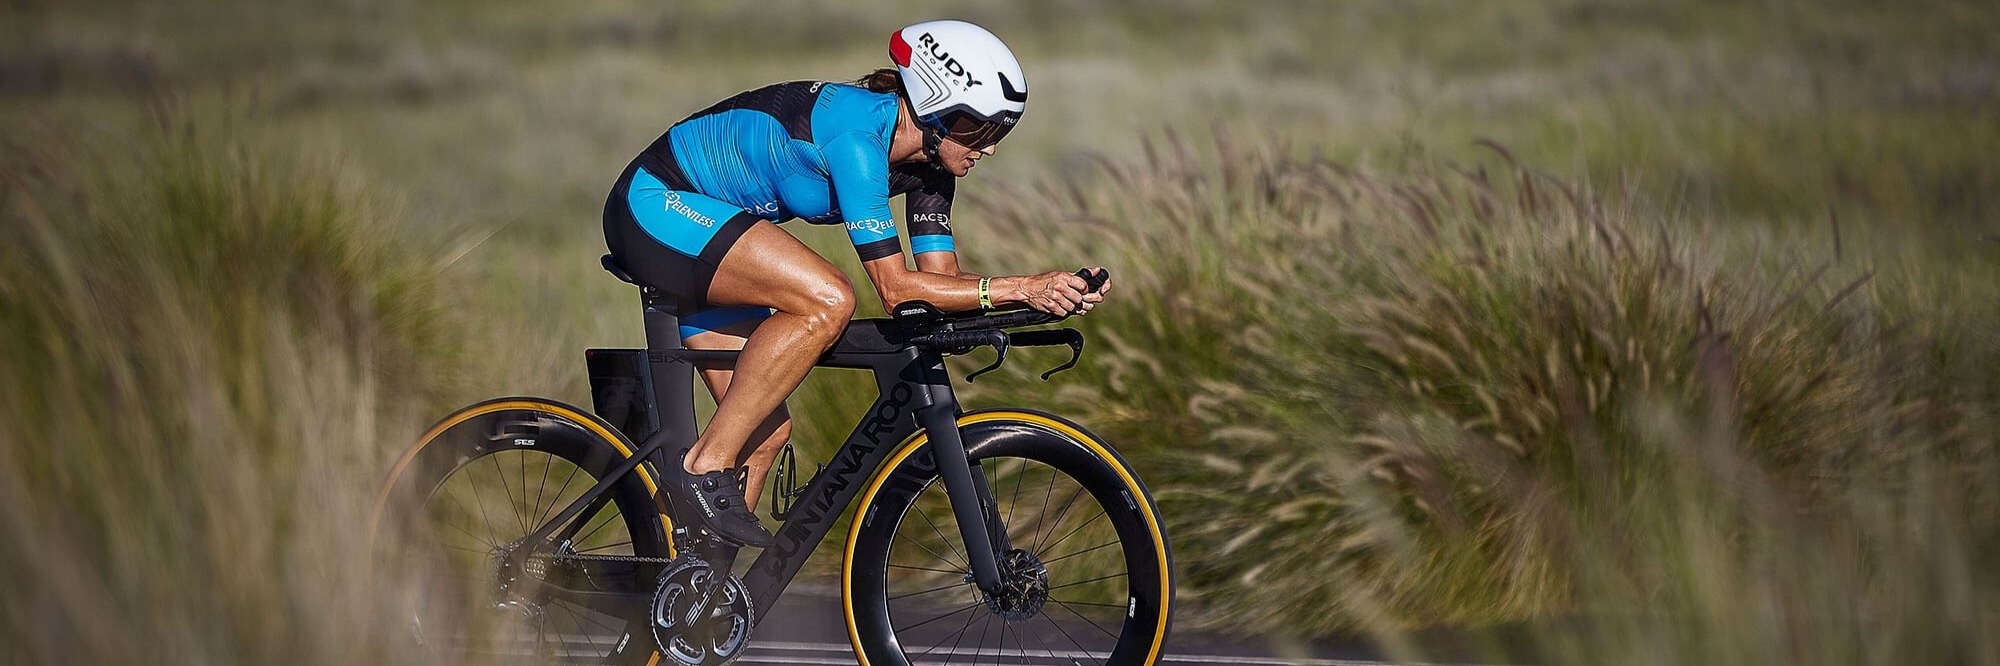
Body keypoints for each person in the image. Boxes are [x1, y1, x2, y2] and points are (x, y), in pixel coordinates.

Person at [601, 20, 1110, 548]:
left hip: (709, 232)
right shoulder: (859, 137)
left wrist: (1047, 297)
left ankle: (692, 588)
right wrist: (1021, 286)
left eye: (1000, 133)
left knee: (763, 434)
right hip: (655, 205)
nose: (991, 148)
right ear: (935, 105)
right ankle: (702, 469)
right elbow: (897, 289)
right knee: (828, 298)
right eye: (981, 130)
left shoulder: (929, 165)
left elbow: (940, 283)